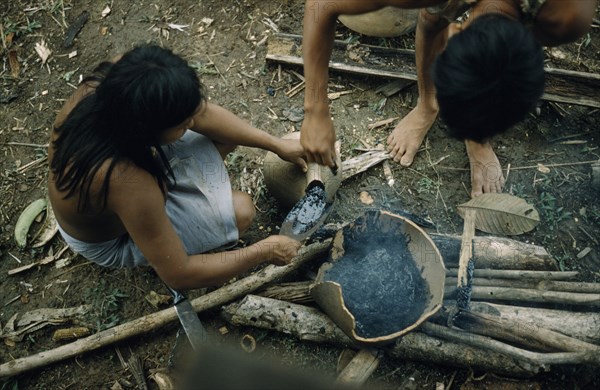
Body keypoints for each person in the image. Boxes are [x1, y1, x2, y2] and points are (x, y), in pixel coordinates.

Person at [48, 44, 306, 290]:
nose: (193, 122)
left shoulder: (121, 79)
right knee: (242, 210)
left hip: (127, 185)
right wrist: (262, 251)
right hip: (114, 239)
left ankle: (185, 205)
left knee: (222, 134)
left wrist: (275, 144)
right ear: (147, 132)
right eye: (183, 124)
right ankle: (158, 242)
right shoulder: (128, 183)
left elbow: (202, 114)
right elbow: (180, 273)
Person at [301, 0, 596, 197]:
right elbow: (320, 5)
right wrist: (315, 110)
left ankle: (477, 139)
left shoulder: (566, 16)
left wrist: (479, 126)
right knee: (430, 17)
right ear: (453, 31)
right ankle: (427, 104)